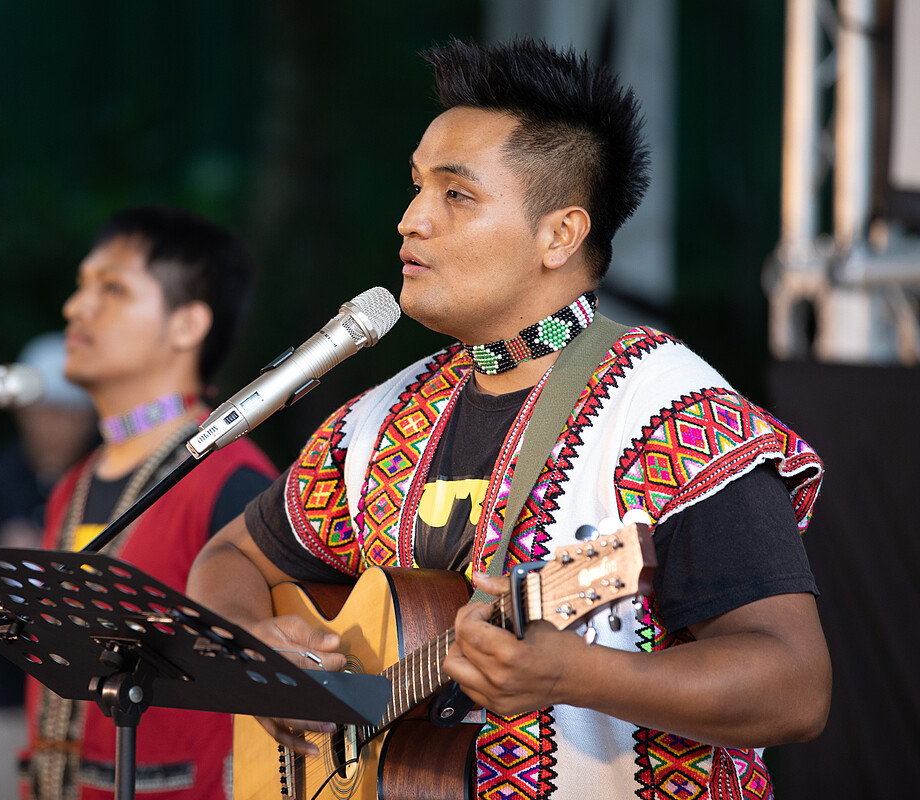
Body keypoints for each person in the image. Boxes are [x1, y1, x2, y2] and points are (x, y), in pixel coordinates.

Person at [186, 38, 831, 799]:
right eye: (417, 185)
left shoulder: (672, 415)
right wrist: (264, 656)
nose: (411, 220)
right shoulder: (381, 419)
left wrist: (582, 674)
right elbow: (227, 562)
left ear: (560, 234)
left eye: (456, 195)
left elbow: (794, 687)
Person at [18, 207, 277, 800]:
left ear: (186, 324)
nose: (75, 309)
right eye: (82, 286)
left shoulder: (232, 479)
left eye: (111, 289)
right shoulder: (75, 481)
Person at [0, 331, 98, 800]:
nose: (56, 426)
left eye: (71, 413)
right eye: (45, 411)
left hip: (91, 703)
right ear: (20, 412)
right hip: (4, 697)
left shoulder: (107, 480)